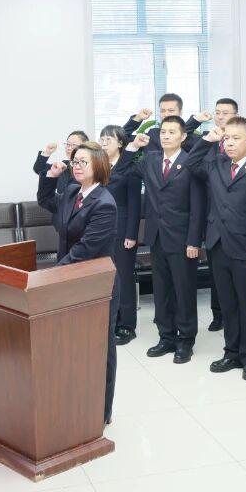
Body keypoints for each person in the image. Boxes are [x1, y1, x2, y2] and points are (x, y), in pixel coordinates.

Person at [37, 141, 123, 424]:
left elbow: (85, 249)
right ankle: (77, 404)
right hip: (71, 281)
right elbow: (46, 201)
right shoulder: (73, 192)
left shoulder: (105, 204)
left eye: (83, 162)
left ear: (99, 166)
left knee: (99, 349)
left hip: (96, 285)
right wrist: (49, 177)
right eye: (75, 161)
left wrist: (53, 275)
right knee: (74, 347)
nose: (76, 166)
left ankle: (101, 411)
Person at [114, 122, 209, 363]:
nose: (166, 136)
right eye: (163, 132)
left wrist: (194, 241)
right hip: (156, 237)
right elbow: (121, 170)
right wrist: (132, 147)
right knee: (162, 291)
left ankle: (185, 340)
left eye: (172, 132)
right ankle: (166, 337)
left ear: (183, 136)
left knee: (183, 291)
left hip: (182, 239)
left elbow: (198, 206)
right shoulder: (150, 159)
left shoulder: (190, 162)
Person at [186, 118, 246, 380]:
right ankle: (232, 352)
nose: (230, 143)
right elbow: (191, 164)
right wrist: (207, 140)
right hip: (218, 244)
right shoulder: (216, 163)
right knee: (228, 304)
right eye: (227, 138)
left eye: (236, 138)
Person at [99, 125, 143, 346]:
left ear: (120, 144)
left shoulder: (131, 168)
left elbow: (135, 204)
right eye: (102, 138)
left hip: (123, 230)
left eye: (109, 139)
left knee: (123, 278)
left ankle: (127, 325)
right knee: (107, 279)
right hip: (102, 231)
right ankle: (111, 321)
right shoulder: (98, 167)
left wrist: (132, 234)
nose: (104, 142)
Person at [34, 130, 89, 196]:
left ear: (85, 147)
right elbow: (39, 169)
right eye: (68, 144)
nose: (69, 148)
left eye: (74, 145)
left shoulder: (89, 168)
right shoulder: (63, 166)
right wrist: (47, 152)